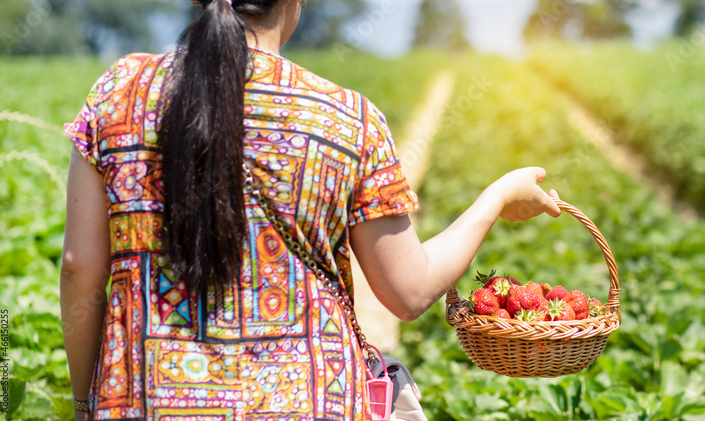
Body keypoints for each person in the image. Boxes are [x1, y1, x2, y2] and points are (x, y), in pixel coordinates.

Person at [59, 0, 561, 419]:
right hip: (309, 402)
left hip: (146, 401)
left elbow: (79, 268)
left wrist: (86, 401)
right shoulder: (348, 119)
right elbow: (409, 292)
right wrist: (496, 198)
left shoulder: (118, 93)